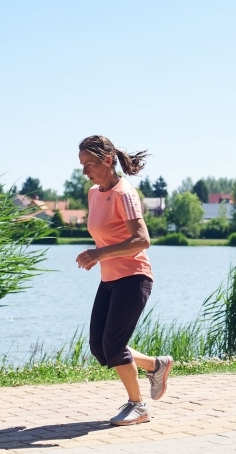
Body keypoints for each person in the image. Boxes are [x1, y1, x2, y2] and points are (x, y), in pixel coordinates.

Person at [75, 135, 173, 426]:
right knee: (100, 347)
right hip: (111, 279)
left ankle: (138, 406)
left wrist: (99, 253)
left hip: (134, 277)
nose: (85, 171)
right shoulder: (94, 193)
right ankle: (157, 365)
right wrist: (99, 257)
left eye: (89, 164)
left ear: (107, 161)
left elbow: (142, 240)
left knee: (114, 346)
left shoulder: (125, 194)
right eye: (81, 165)